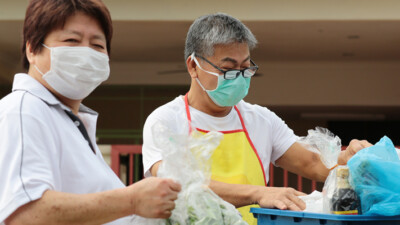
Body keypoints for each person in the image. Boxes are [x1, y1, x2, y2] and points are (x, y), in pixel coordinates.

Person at [142, 13, 372, 225]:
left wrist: (349, 161)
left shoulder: (261, 120)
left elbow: (312, 163)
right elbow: (176, 184)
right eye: (229, 69)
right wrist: (259, 193)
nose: (239, 78)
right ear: (193, 66)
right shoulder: (165, 121)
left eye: (245, 68)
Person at [0, 0, 181, 224]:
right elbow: (24, 214)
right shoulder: (24, 109)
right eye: (71, 40)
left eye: (97, 45)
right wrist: (131, 201)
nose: (85, 53)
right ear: (32, 49)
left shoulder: (69, 122)